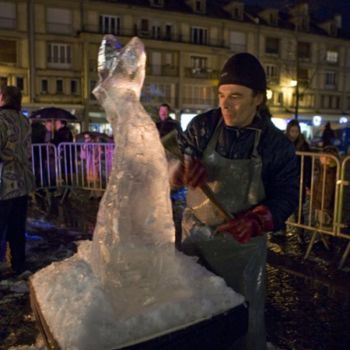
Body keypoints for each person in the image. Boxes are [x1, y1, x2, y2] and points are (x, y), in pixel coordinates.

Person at [171, 53, 299, 349]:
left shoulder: (275, 145)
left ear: (259, 99)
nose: (225, 104)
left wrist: (258, 220)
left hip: (243, 251)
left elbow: (287, 195)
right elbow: (175, 156)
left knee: (242, 320)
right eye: (222, 95)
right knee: (193, 315)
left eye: (236, 97)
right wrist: (179, 170)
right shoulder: (203, 126)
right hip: (196, 240)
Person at [0, 85, 34, 275]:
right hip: (22, 182)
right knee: (17, 227)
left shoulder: (1, 120)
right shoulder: (24, 121)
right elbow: (27, 150)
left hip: (4, 183)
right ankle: (19, 265)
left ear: (3, 98)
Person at [155, 103, 186, 249]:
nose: (163, 113)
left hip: (171, 160)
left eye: (165, 111)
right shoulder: (155, 125)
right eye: (161, 111)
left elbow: (180, 140)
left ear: (168, 112)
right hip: (158, 160)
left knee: (172, 185)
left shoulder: (174, 125)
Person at [281, 119, 312, 243]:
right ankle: (281, 229)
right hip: (284, 181)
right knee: (282, 205)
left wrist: (308, 183)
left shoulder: (304, 145)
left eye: (296, 131)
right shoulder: (282, 143)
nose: (294, 134)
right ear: (288, 131)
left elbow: (308, 165)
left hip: (299, 181)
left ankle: (301, 233)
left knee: (299, 208)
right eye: (292, 131)